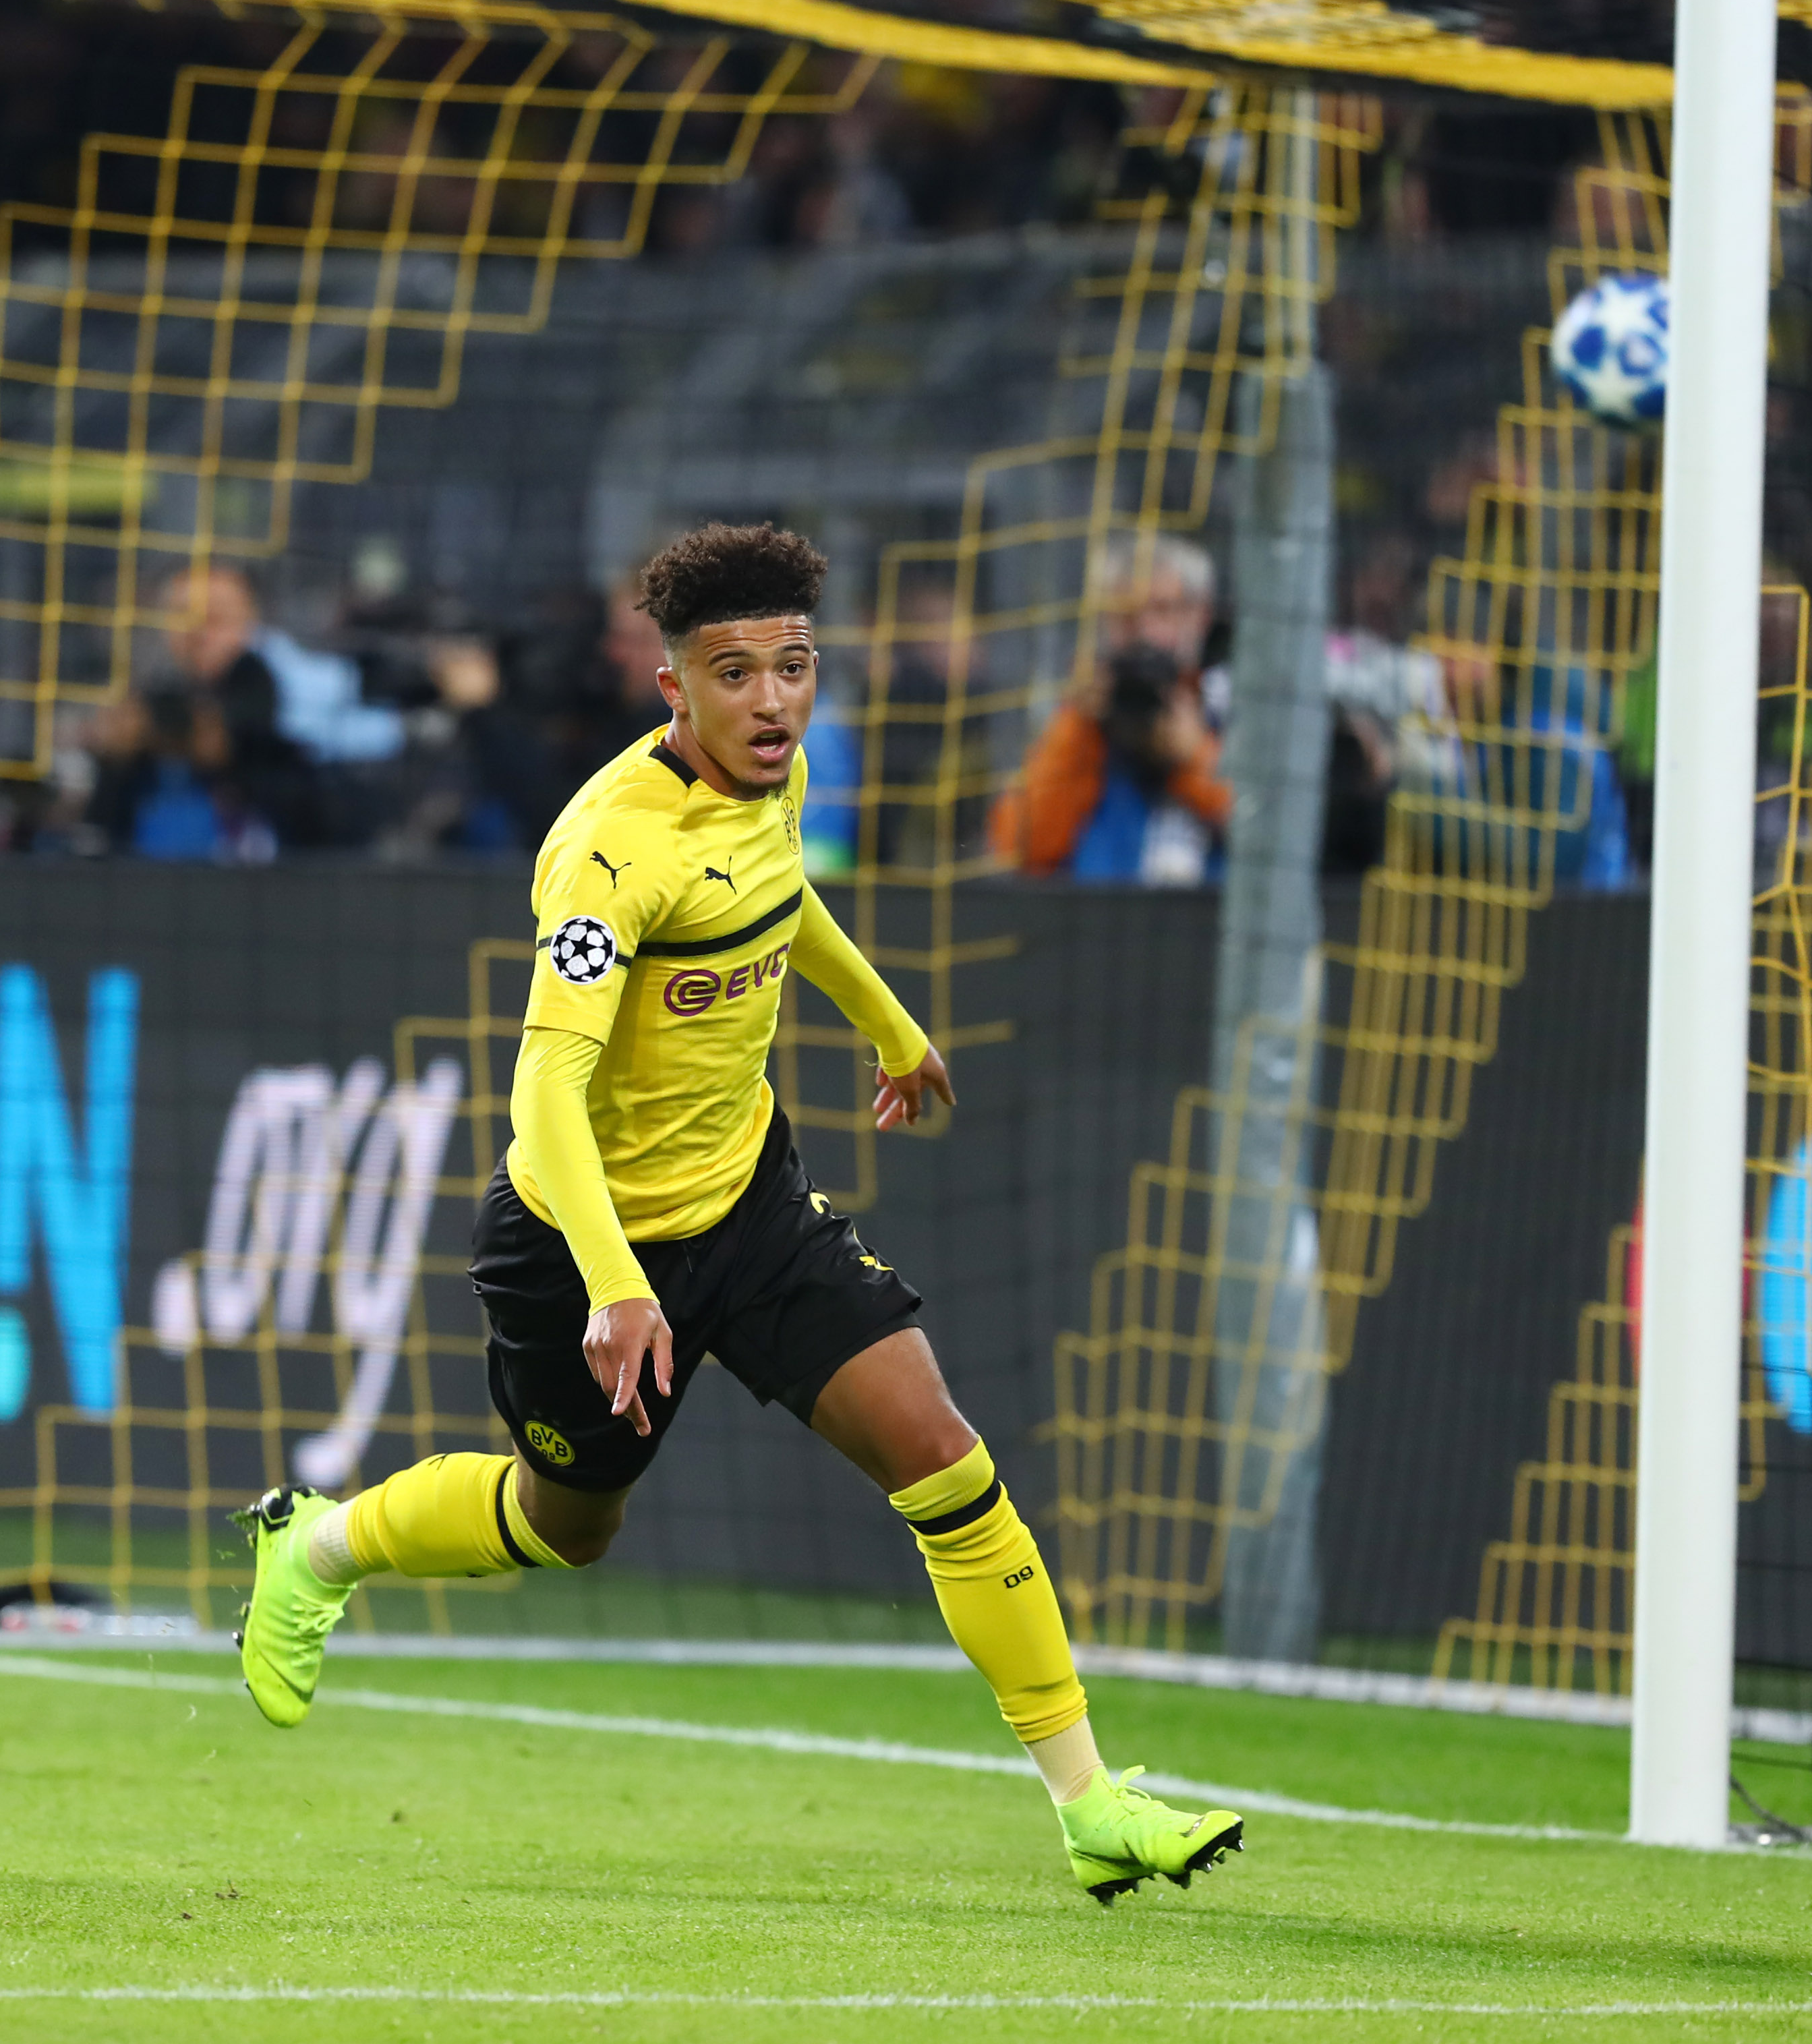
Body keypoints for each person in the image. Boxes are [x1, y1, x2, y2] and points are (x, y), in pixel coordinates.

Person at [229, 522, 1243, 1904]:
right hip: (576, 1245)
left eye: (793, 667)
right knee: (565, 1524)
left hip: (748, 1205)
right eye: (735, 673)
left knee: (939, 1454)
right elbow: (543, 1088)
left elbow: (781, 897)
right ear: (672, 689)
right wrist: (611, 1282)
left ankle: (1089, 1804)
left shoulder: (773, 776)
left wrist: (889, 1025)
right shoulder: (603, 855)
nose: (771, 702)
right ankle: (320, 1544)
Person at [994, 537, 1230, 885]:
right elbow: (1019, 849)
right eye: (1127, 617)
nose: (1145, 633)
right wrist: (1078, 727)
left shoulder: (1231, 706)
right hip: (1101, 926)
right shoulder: (1084, 718)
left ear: (1200, 617)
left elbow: (1275, 839)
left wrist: (1194, 757)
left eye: (1162, 610)